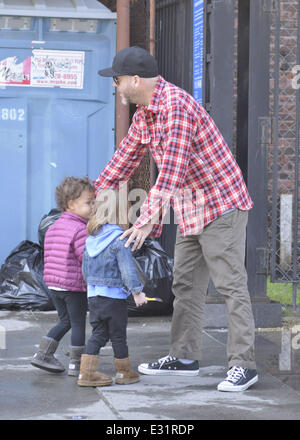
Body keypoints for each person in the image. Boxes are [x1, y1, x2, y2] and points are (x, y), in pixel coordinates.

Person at [94, 46, 258, 392]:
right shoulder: (145, 114)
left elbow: (171, 173)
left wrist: (144, 221)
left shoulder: (176, 107)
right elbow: (123, 160)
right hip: (190, 207)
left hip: (221, 205)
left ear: (135, 80)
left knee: (230, 286)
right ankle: (183, 358)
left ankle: (244, 365)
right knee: (184, 286)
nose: (116, 86)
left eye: (118, 80)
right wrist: (88, 200)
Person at [77, 189, 147, 387]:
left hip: (94, 297)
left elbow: (84, 271)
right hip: (114, 298)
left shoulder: (90, 241)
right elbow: (128, 271)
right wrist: (137, 293)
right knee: (118, 335)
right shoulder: (119, 239)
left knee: (98, 333)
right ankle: (124, 373)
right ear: (119, 213)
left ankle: (86, 374)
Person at [31, 176, 94, 376]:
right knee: (77, 323)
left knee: (64, 321)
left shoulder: (53, 227)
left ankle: (43, 354)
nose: (93, 207)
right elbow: (86, 258)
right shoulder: (80, 229)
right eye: (88, 203)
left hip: (53, 285)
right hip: (73, 286)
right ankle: (77, 365)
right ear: (71, 205)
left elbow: (48, 255)